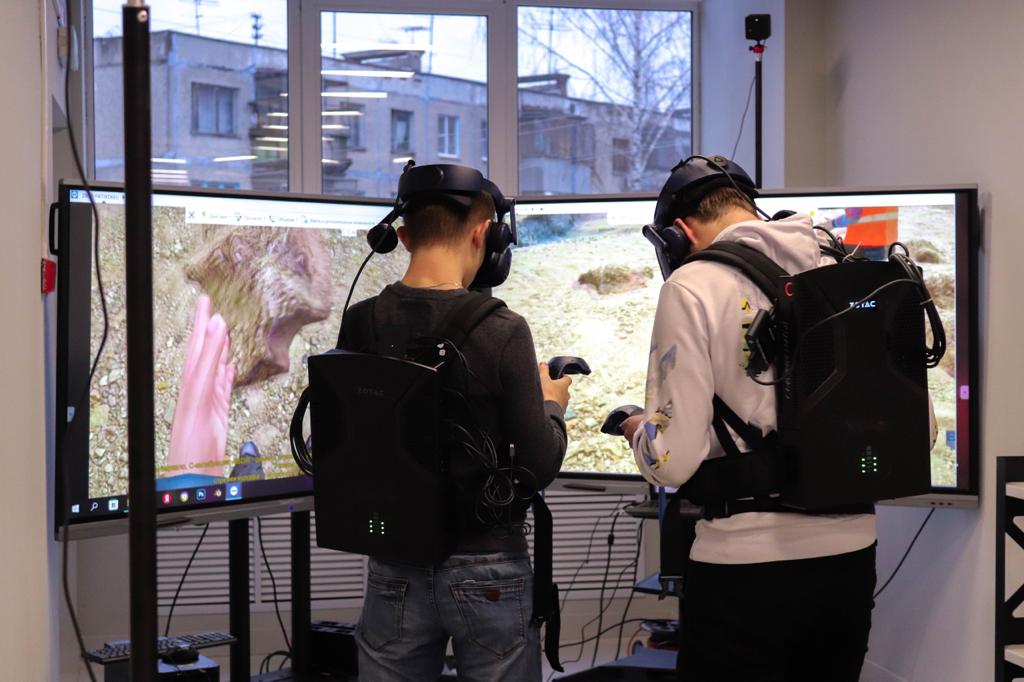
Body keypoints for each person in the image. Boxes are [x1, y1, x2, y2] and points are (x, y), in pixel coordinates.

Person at [621, 158, 878, 682]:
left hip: (744, 566)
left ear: (679, 233)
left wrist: (637, 429)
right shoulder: (838, 264)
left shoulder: (693, 284)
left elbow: (672, 462)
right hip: (851, 557)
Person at [348, 180, 572, 681]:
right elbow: (536, 467)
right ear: (484, 235)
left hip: (395, 562)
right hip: (489, 565)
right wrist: (553, 406)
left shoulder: (362, 322)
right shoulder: (504, 328)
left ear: (402, 237)